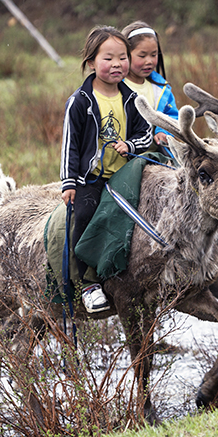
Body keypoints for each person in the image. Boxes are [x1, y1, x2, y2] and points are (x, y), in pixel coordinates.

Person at [61, 25, 153, 313]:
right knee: (85, 216)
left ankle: (131, 276)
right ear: (91, 63)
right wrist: (69, 183)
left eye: (123, 58)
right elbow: (70, 145)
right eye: (108, 58)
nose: (117, 65)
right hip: (91, 179)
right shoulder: (80, 101)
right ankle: (87, 283)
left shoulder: (132, 99)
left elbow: (146, 133)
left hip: (125, 176)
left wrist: (131, 145)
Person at [121, 21, 179, 149]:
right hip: (125, 156)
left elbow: (172, 116)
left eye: (154, 55)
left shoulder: (161, 89)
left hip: (157, 157)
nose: (149, 61)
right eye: (142, 56)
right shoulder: (116, 87)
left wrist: (164, 132)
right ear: (124, 54)